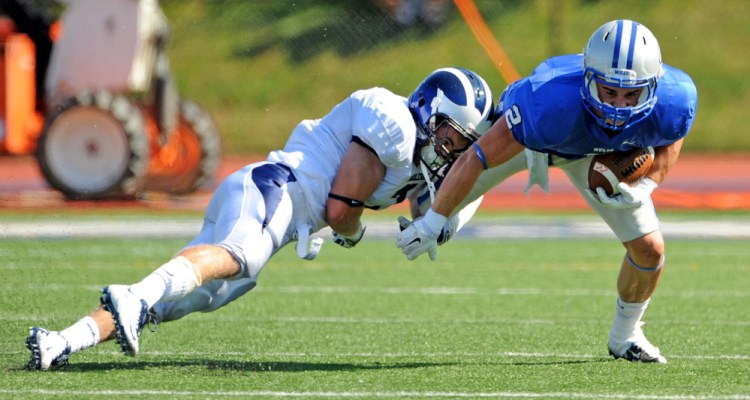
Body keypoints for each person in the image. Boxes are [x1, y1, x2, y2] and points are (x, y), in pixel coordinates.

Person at [25, 67, 495, 370]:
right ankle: (132, 293)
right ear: (428, 112)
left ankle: (65, 341)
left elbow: (460, 185)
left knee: (187, 298)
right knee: (241, 257)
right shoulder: (393, 123)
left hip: (280, 207)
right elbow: (339, 209)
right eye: (450, 135)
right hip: (275, 189)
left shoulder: (416, 158)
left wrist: (444, 218)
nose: (450, 149)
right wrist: (348, 235)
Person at [396, 20, 698, 364]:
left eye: (631, 94)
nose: (618, 106)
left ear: (654, 87)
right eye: (608, 92)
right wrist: (434, 222)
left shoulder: (676, 98)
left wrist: (646, 184)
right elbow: (476, 158)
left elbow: (672, 133)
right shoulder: (545, 103)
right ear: (588, 79)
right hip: (530, 139)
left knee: (650, 251)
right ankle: (436, 210)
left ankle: (625, 335)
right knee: (428, 213)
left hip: (590, 153)